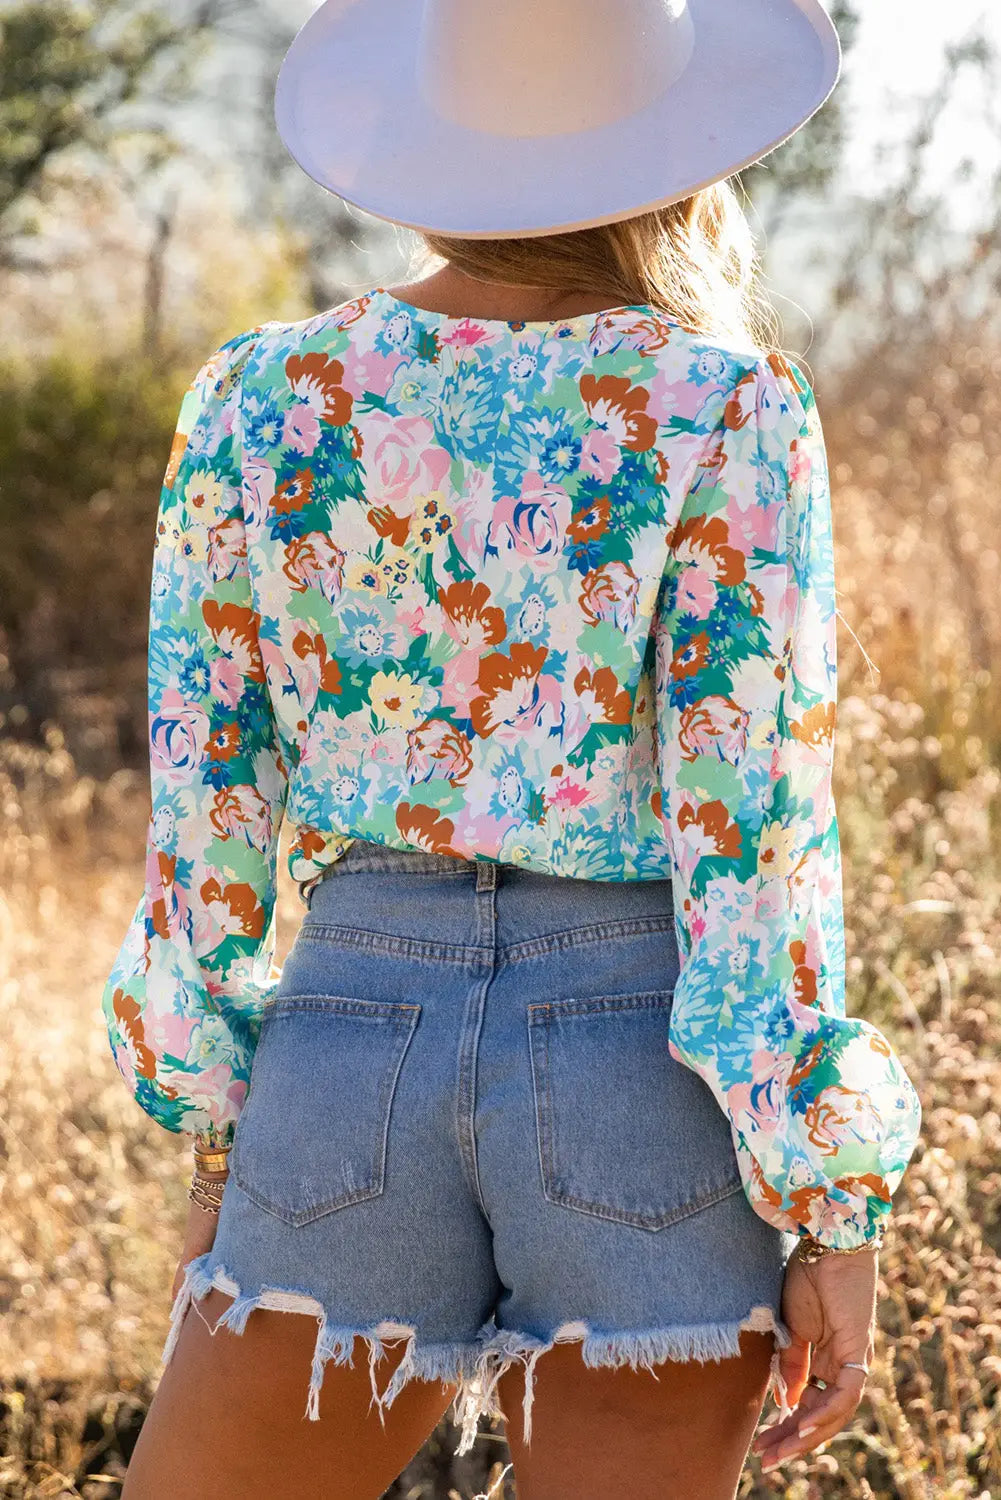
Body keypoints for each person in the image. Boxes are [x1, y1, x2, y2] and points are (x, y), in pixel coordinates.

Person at [104, 1, 922, 1495]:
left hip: (347, 1037)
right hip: (640, 1051)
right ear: (681, 153)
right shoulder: (721, 403)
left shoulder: (260, 399)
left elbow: (204, 804)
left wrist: (223, 1137)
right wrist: (828, 1210)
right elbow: (750, 833)